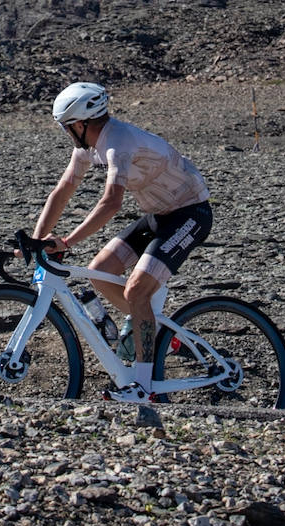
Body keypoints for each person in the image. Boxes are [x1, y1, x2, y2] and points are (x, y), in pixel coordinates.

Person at [33, 81, 212, 404]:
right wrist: (35, 241)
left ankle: (144, 387)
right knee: (99, 270)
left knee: (136, 291)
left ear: (78, 124)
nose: (65, 133)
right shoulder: (88, 147)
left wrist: (68, 241)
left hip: (190, 214)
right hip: (160, 214)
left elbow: (111, 203)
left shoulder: (118, 144)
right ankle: (154, 333)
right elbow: (61, 192)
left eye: (65, 127)